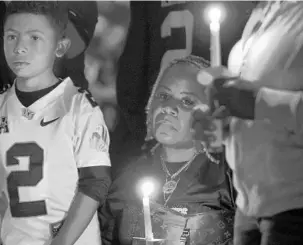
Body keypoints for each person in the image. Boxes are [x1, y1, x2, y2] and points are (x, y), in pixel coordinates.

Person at [0, 1, 111, 245]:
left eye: (34, 38)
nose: (20, 47)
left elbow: (96, 183)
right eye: (11, 37)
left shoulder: (78, 106)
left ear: (60, 47)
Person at [191, 1, 303, 245]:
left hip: (295, 212)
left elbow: (256, 102)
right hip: (248, 210)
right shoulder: (264, 12)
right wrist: (220, 129)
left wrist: (258, 102)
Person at [99, 55, 236, 245]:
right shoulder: (125, 176)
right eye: (163, 96)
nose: (169, 108)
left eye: (187, 101)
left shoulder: (229, 177)